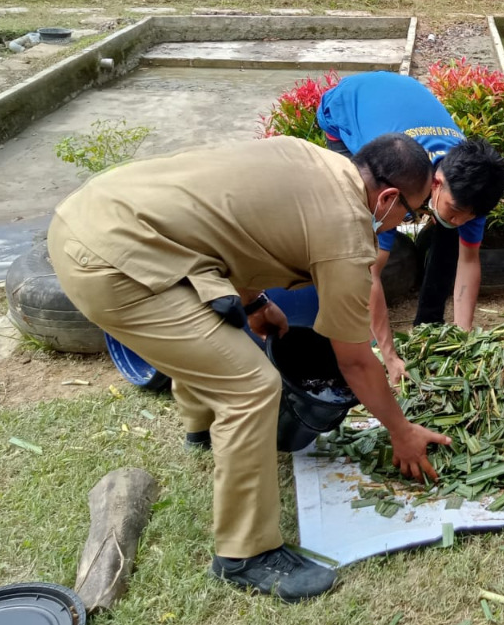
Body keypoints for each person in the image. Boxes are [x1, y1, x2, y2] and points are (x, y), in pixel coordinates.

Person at [47, 134, 451, 601]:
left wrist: (255, 301)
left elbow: (223, 225)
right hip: (110, 263)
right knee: (253, 386)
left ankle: (200, 427)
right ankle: (246, 554)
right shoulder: (346, 231)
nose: (407, 222)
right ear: (386, 198)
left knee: (215, 336)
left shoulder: (310, 158)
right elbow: (356, 360)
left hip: (97, 215)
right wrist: (401, 432)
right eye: (413, 212)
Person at [318, 72, 504, 383]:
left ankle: (429, 328)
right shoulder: (395, 184)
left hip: (400, 102)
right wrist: (390, 354)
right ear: (436, 183)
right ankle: (364, 342)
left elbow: (469, 260)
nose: (461, 221)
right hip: (347, 110)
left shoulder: (474, 190)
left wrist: (463, 340)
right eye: (456, 211)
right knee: (358, 242)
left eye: (469, 217)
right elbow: (371, 272)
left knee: (447, 233)